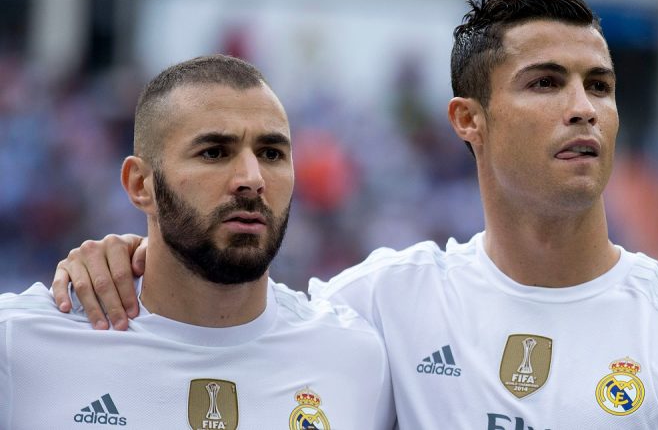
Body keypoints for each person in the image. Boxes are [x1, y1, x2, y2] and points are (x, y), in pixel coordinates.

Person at [52, 0, 658, 428]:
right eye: (546, 82)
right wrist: (125, 256)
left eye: (600, 85)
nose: (583, 108)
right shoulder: (379, 305)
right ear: (468, 119)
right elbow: (228, 320)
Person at [1, 55, 394, 429]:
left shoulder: (356, 357)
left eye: (271, 153)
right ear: (140, 185)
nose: (252, 178)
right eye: (214, 152)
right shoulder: (20, 344)